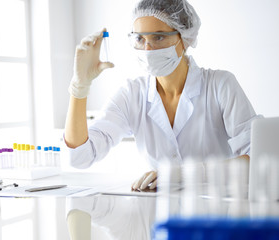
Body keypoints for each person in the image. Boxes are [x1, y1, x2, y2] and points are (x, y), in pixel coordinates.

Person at [64, 0, 260, 191]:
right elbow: (81, 157)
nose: (148, 49)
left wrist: (186, 174)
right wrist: (80, 87)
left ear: (184, 39)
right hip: (159, 214)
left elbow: (258, 158)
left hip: (218, 213)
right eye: (140, 39)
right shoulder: (131, 94)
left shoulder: (220, 85)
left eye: (158, 37)